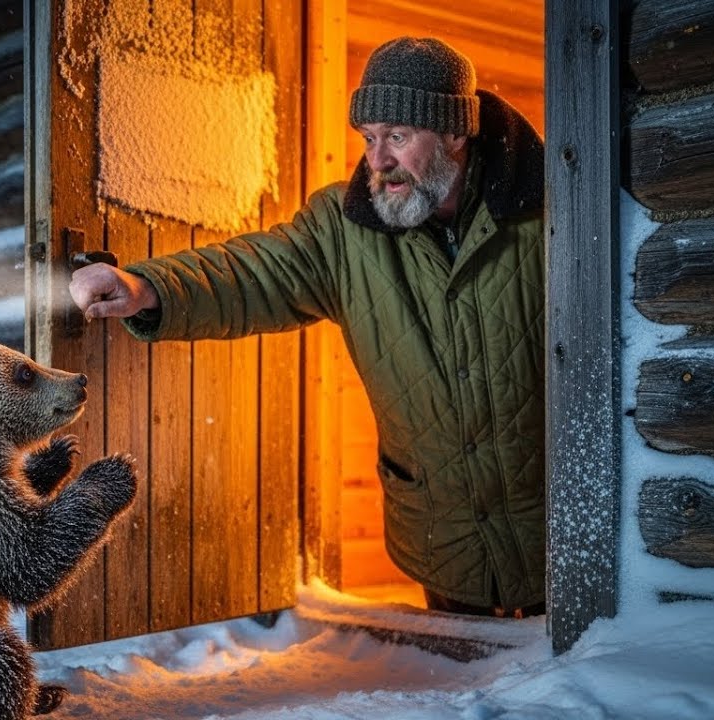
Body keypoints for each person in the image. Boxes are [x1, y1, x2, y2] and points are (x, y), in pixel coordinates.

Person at [69, 37, 545, 618]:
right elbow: (255, 273)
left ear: (453, 132)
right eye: (368, 138)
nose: (377, 160)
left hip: (562, 535)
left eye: (397, 136)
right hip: (446, 545)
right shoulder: (343, 229)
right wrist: (147, 289)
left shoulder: (553, 208)